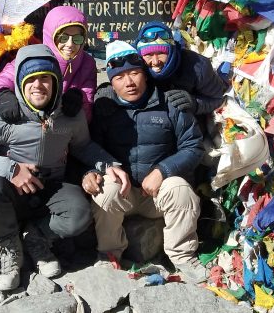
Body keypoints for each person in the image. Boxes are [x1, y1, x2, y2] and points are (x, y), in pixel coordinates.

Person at [0, 44, 129, 290]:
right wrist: (11, 169)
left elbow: (83, 146)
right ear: (19, 82)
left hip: (50, 187)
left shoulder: (70, 114)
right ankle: (10, 247)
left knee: (78, 214)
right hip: (10, 191)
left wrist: (108, 164)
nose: (38, 86)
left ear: (56, 81)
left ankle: (36, 237)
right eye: (31, 79)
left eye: (45, 78)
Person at [82, 41, 207, 284]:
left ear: (145, 75)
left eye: (135, 73)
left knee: (180, 190)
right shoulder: (104, 108)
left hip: (157, 195)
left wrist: (164, 170)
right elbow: (89, 148)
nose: (129, 82)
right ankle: (110, 254)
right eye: (119, 77)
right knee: (104, 190)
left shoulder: (170, 103)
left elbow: (194, 147)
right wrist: (90, 172)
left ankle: (182, 254)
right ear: (111, 81)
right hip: (124, 195)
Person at [0, 5, 97, 120]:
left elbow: (88, 115)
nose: (70, 44)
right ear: (50, 35)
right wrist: (3, 94)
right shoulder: (29, 58)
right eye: (63, 38)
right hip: (28, 126)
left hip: (64, 131)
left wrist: (80, 100)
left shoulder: (87, 63)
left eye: (77, 39)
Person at [134, 21, 228, 118]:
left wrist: (194, 103)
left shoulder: (197, 66)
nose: (155, 62)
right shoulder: (134, 68)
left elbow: (217, 99)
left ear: (171, 51)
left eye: (161, 53)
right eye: (148, 55)